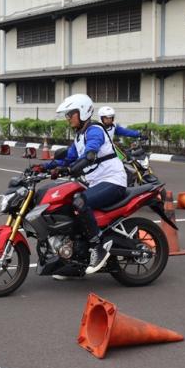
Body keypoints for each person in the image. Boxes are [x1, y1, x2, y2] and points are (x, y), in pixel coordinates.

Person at [37, 94, 127, 278]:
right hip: (95, 183)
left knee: (79, 202)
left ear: (83, 112)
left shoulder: (94, 131)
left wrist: (74, 168)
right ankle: (74, 263)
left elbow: (90, 154)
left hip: (113, 181)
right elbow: (67, 157)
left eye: (71, 113)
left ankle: (98, 247)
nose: (68, 117)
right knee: (66, 207)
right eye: (68, 114)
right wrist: (41, 168)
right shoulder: (79, 136)